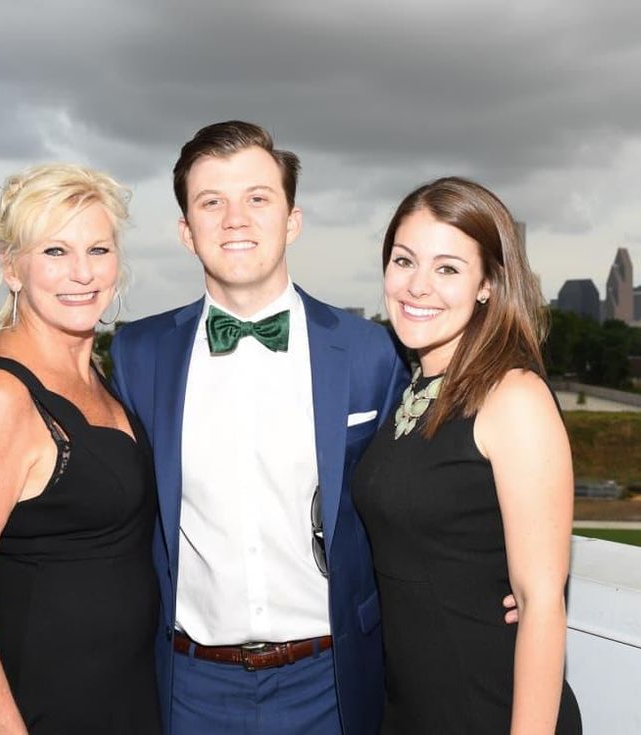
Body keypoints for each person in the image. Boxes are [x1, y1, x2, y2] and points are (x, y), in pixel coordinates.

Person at [109, 121, 408, 734]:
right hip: (189, 687)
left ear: (292, 220)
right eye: (211, 202)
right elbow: (114, 499)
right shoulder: (138, 354)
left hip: (333, 682)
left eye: (257, 198)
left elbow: (409, 501)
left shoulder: (372, 353)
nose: (235, 220)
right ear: (186, 232)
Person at [0, 164, 161, 734]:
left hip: (124, 696)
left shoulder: (95, 373)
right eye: (55, 251)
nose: (82, 272)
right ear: (12, 267)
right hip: (44, 706)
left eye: (98, 249)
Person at [352, 176, 582, 734]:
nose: (418, 286)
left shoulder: (513, 397)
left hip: (488, 709)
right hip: (411, 710)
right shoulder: (413, 390)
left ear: (488, 285)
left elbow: (541, 602)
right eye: (404, 261)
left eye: (448, 269)